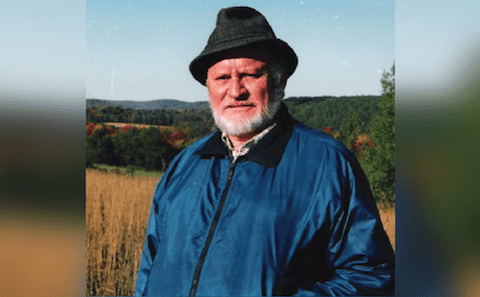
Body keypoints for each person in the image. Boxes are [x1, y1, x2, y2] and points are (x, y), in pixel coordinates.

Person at [135, 6, 394, 296]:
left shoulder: (327, 164)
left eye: (249, 75)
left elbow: (371, 277)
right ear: (208, 86)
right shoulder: (186, 163)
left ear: (279, 79)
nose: (235, 91)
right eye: (222, 78)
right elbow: (151, 265)